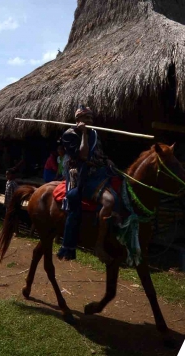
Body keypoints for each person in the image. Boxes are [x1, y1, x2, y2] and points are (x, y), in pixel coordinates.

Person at [57, 106, 117, 263]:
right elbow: (83, 155)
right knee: (109, 201)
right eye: (86, 119)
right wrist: (83, 133)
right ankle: (98, 246)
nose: (90, 122)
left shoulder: (95, 134)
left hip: (99, 173)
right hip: (82, 176)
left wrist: (107, 160)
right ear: (78, 121)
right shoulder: (68, 135)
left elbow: (99, 154)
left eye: (91, 118)